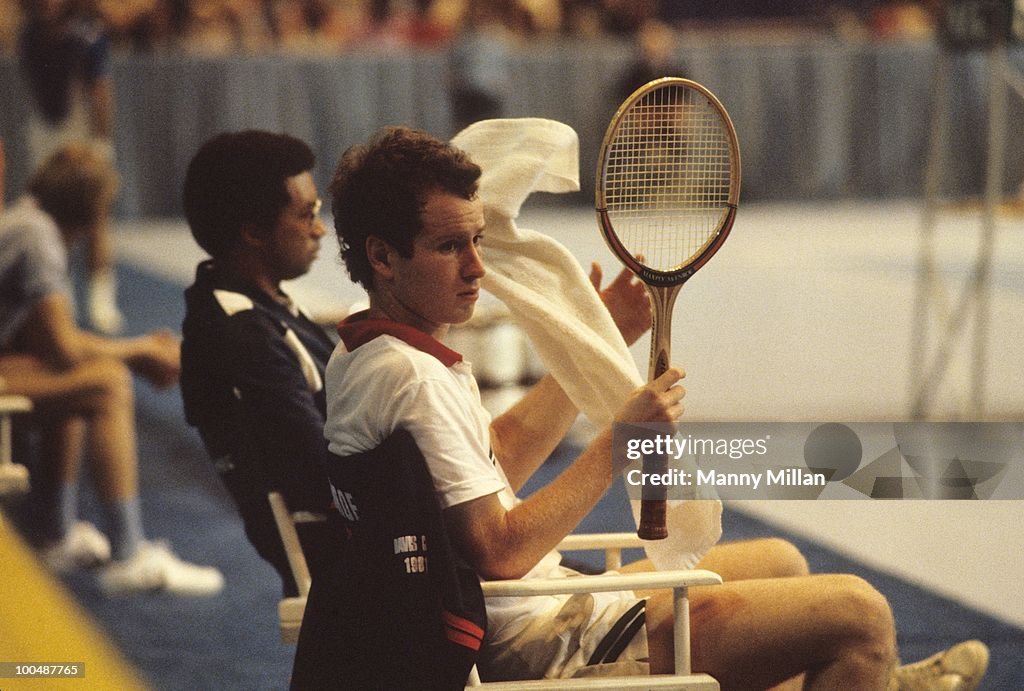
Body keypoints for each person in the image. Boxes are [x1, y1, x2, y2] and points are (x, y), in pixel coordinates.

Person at [308, 126, 989, 690]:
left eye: (479, 239)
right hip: (539, 639)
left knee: (782, 560)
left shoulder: (369, 357)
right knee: (859, 614)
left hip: (524, 611)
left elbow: (497, 458)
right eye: (450, 245)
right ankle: (878, 673)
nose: (478, 267)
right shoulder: (413, 376)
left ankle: (877, 681)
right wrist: (625, 438)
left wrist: (589, 351)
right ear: (383, 256)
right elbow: (502, 550)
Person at [0, 142, 223, 596]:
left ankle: (57, 534)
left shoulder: (26, 220)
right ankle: (128, 554)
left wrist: (135, 351)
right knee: (105, 384)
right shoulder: (38, 236)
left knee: (80, 381)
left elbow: (48, 347)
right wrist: (141, 352)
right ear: (93, 216)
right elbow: (63, 347)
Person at [180, 130, 336, 596]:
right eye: (307, 214)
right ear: (253, 231)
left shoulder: (257, 305)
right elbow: (321, 478)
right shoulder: (243, 333)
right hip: (354, 552)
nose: (321, 228)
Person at [18, 0, 124, 334]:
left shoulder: (89, 34)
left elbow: (100, 92)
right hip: (44, 131)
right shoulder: (29, 32)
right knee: (45, 220)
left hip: (81, 131)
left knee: (95, 217)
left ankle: (101, 298)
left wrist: (100, 144)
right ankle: (56, 297)